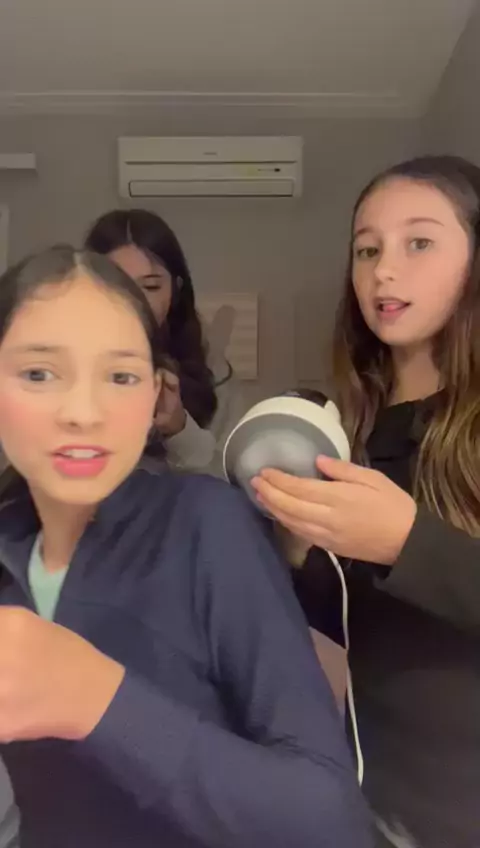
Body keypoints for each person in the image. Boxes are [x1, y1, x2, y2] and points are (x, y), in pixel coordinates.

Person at [0, 245, 371, 848]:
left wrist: (99, 700)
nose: (81, 412)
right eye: (39, 373)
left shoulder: (208, 527)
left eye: (120, 376)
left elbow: (332, 824)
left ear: (154, 397)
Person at [251, 155, 480, 848]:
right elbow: (364, 619)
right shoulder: (347, 434)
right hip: (377, 806)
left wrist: (407, 542)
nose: (384, 271)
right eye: (367, 250)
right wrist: (295, 553)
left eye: (420, 242)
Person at [85, 208, 245, 476]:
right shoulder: (58, 366)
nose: (135, 302)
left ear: (176, 289)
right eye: (116, 286)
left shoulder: (211, 372)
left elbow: (231, 481)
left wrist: (180, 429)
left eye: (151, 287)